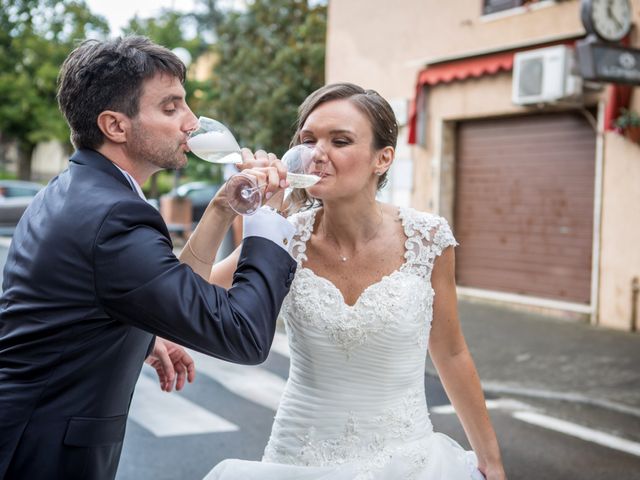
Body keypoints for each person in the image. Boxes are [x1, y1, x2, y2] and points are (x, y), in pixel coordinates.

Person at [0, 36, 297, 480]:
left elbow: (170, 294)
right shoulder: (114, 217)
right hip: (38, 453)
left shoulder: (80, 190)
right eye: (171, 107)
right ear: (116, 126)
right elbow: (244, 335)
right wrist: (267, 222)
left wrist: (222, 208)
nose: (192, 123)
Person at [200, 83, 507, 479]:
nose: (317, 154)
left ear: (383, 158)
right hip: (298, 458)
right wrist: (228, 208)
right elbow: (188, 292)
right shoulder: (283, 237)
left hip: (408, 462)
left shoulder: (428, 240)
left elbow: (450, 353)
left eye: (340, 141)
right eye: (308, 140)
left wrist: (491, 460)